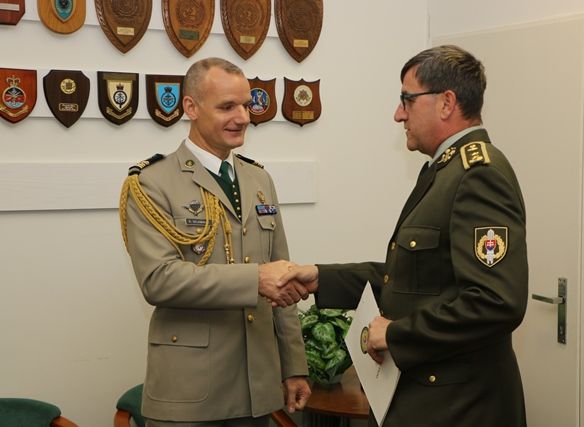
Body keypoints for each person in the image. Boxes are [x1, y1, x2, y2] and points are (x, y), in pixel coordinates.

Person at [279, 45, 528, 427]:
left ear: (446, 103)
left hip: (461, 407)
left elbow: (496, 302)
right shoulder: (443, 171)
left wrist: (396, 334)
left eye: (407, 100)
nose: (399, 114)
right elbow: (413, 280)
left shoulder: (478, 173)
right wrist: (319, 277)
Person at [119, 57, 310, 427]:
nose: (242, 117)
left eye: (246, 105)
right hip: (190, 393)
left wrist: (293, 366)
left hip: (257, 388)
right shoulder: (152, 183)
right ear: (191, 107)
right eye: (227, 107)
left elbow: (282, 279)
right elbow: (159, 280)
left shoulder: (259, 180)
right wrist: (255, 279)